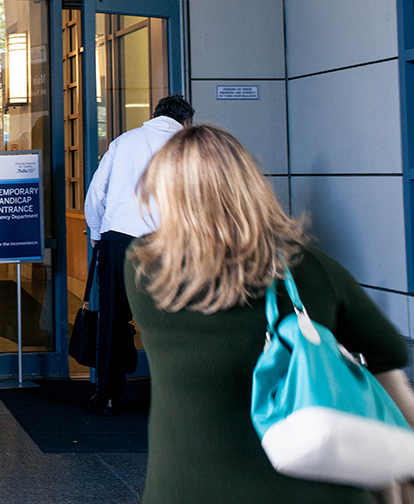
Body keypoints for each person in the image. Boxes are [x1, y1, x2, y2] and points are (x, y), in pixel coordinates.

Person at [128, 125, 414, 503]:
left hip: (185, 489)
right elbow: (388, 352)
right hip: (318, 490)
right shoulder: (311, 269)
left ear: (166, 193)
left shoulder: (144, 271)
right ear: (250, 187)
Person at [83, 93, 193, 415]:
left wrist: (96, 232)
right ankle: (172, 396)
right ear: (185, 120)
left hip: (119, 239)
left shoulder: (124, 142)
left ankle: (107, 396)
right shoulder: (187, 146)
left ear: (156, 114)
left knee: (112, 318)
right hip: (168, 241)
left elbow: (97, 192)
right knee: (171, 317)